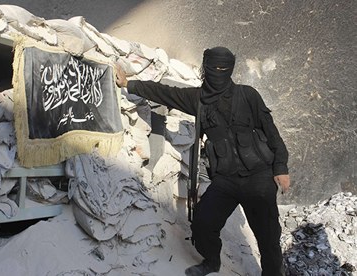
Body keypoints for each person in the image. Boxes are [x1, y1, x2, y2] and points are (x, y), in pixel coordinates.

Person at [115, 46, 290, 276]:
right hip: (225, 181)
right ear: (205, 69)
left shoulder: (248, 95)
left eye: (224, 68)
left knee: (268, 238)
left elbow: (271, 132)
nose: (218, 72)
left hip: (259, 178)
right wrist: (129, 84)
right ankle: (211, 261)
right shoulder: (198, 99)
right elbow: (166, 92)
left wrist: (280, 167)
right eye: (214, 68)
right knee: (202, 224)